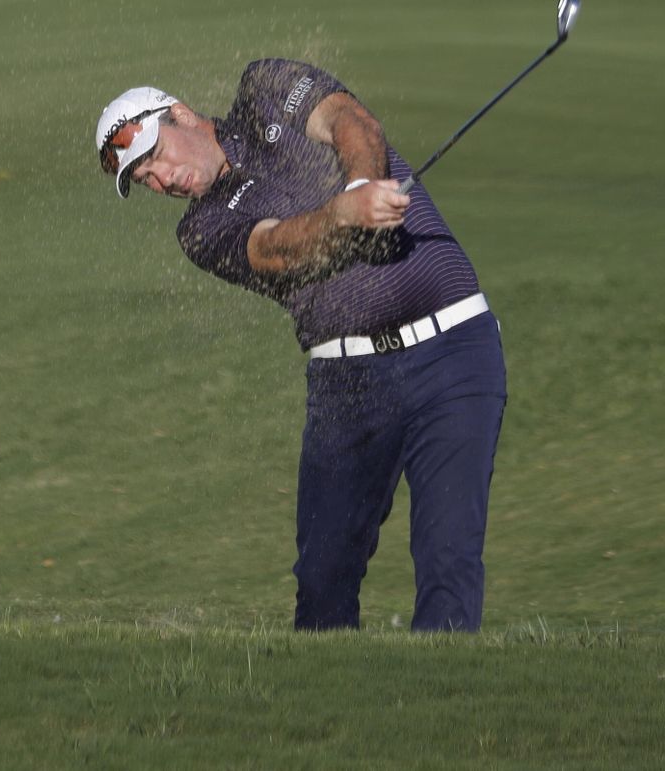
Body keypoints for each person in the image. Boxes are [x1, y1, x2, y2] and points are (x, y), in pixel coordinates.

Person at [94, 59, 506, 632]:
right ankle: (330, 717)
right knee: (323, 581)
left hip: (454, 351)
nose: (162, 181)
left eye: (156, 157)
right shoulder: (199, 230)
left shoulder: (264, 90)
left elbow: (348, 121)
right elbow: (274, 251)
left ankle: (443, 707)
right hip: (348, 384)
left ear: (180, 115)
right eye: (145, 181)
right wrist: (344, 214)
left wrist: (361, 184)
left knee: (449, 561)